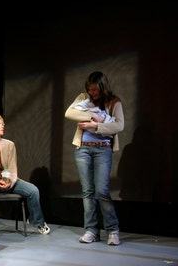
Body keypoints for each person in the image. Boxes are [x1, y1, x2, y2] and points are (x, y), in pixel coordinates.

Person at [64, 71, 124, 246]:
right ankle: (91, 230)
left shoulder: (114, 101)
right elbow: (69, 113)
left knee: (102, 191)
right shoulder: (83, 97)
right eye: (90, 90)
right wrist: (91, 115)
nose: (92, 93)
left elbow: (119, 125)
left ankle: (112, 230)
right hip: (83, 149)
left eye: (95, 90)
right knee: (87, 191)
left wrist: (95, 125)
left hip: (102, 149)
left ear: (103, 86)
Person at [0, 113, 51, 235]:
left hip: (7, 181)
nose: (2, 126)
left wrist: (9, 181)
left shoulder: (9, 145)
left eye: (3, 124)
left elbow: (12, 168)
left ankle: (38, 222)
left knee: (33, 190)